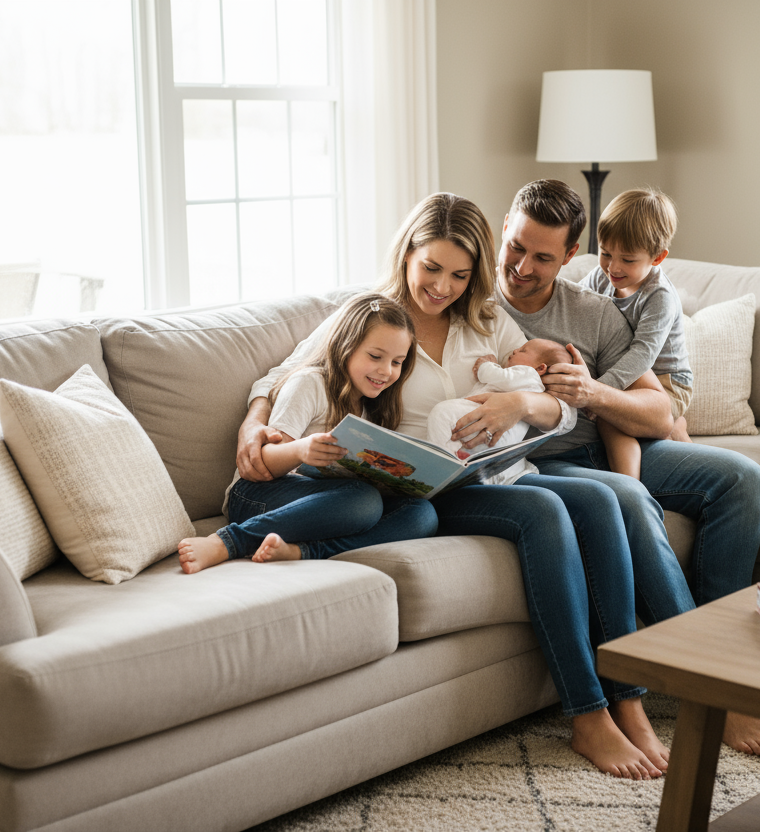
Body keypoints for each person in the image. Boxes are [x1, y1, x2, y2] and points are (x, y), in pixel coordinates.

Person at [236, 193, 691, 779]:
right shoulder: (371, 316)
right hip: (418, 488)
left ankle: (630, 704)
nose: (442, 287)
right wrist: (254, 424)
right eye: (431, 268)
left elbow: (566, 412)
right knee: (545, 514)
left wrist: (521, 402)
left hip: (486, 473)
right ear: (408, 255)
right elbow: (280, 374)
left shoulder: (486, 320)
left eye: (459, 273)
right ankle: (588, 714)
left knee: (605, 498)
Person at [497, 179, 760, 756]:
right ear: (503, 228)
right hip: (542, 464)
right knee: (627, 498)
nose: (523, 267)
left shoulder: (596, 310)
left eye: (544, 257)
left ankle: (722, 653)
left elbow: (656, 409)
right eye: (515, 247)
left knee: (742, 477)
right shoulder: (471, 305)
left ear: (568, 256)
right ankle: (706, 690)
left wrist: (593, 393)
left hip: (606, 442)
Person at [178, 292, 437, 573]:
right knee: (363, 500)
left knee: (420, 514)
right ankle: (229, 542)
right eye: (376, 356)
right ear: (345, 346)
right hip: (257, 494)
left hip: (327, 501)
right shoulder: (310, 384)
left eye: (397, 362)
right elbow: (263, 462)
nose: (386, 371)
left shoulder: (373, 405)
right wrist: (301, 450)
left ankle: (303, 551)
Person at [580, 187, 693, 480]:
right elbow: (574, 301)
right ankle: (674, 427)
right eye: (605, 253)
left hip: (668, 382)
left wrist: (604, 388)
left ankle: (630, 487)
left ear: (657, 257)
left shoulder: (659, 296)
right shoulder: (600, 276)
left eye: (628, 260)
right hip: (630, 375)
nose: (613, 267)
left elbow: (643, 354)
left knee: (611, 416)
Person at [425, 337, 570, 465]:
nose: (514, 351)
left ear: (540, 368)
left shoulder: (528, 375)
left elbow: (498, 376)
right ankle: (457, 456)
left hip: (495, 428)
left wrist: (485, 365)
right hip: (500, 439)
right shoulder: (529, 384)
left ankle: (439, 461)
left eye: (523, 351)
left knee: (442, 412)